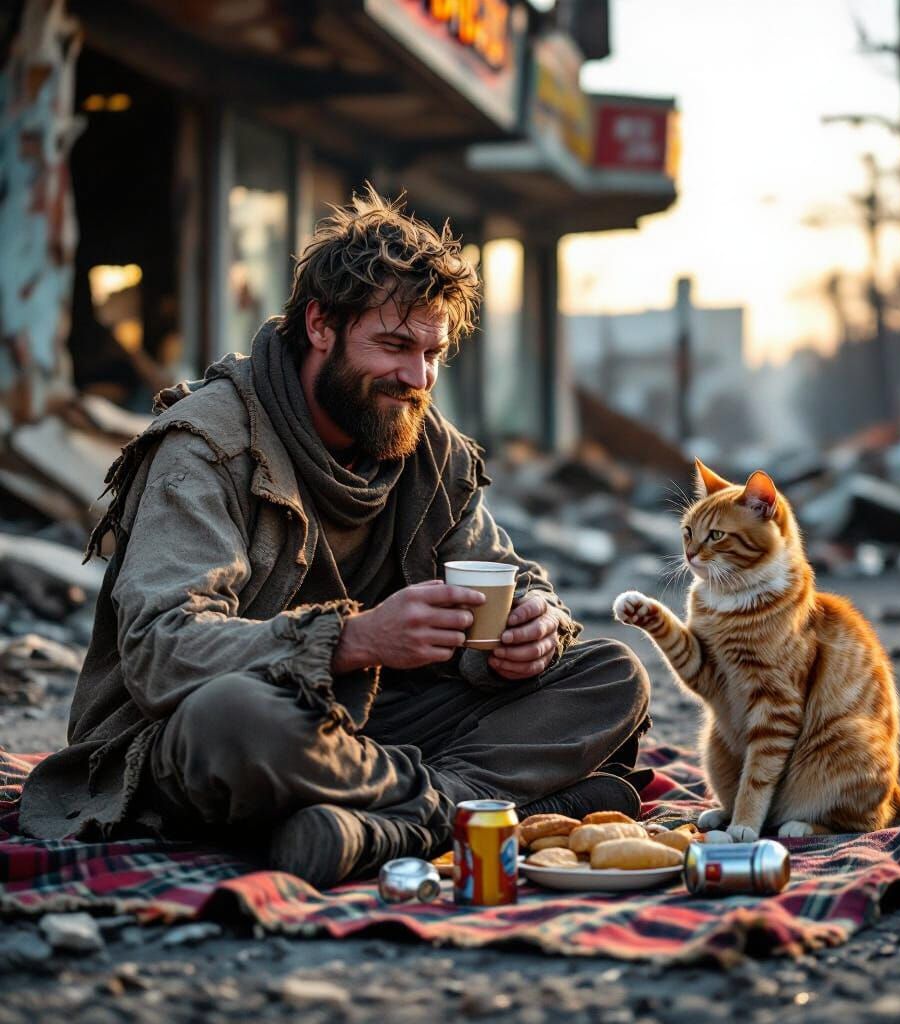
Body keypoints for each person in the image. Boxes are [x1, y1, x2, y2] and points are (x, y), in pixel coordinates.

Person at [20, 188, 651, 888]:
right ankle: (486, 809)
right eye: (393, 345)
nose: (416, 378)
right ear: (320, 325)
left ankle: (382, 825)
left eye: (432, 353)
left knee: (609, 674)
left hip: (374, 734)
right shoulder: (207, 446)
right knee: (236, 717)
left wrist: (536, 626)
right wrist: (353, 640)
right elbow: (161, 653)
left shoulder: (427, 448)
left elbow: (505, 573)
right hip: (219, 733)